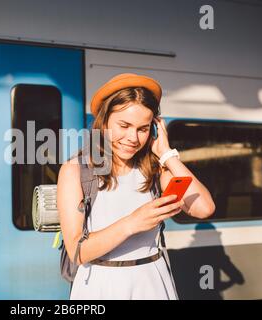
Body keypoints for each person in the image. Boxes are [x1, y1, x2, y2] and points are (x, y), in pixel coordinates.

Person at [57, 73, 216, 300]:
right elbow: (76, 251)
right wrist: (132, 223)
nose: (133, 137)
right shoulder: (76, 170)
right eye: (124, 125)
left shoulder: (155, 170)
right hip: (100, 285)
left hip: (152, 282)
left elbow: (204, 208)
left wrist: (167, 154)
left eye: (143, 128)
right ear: (104, 122)